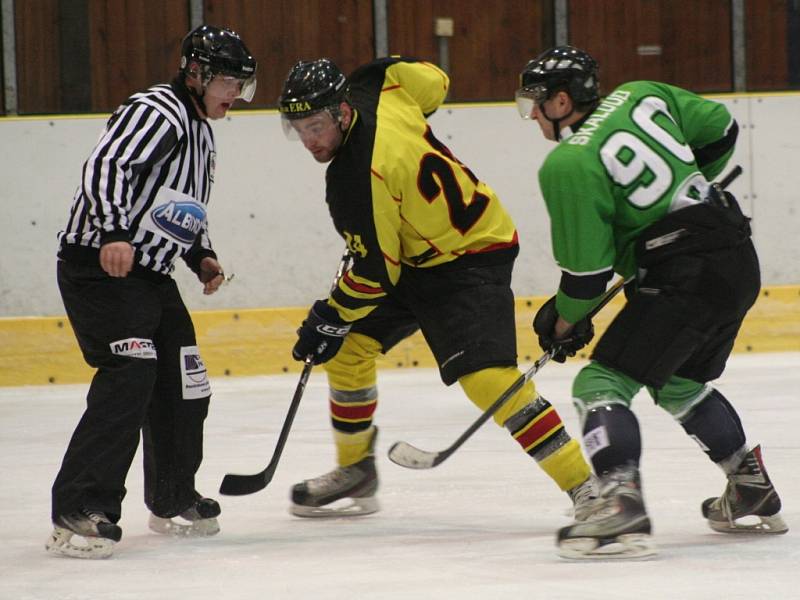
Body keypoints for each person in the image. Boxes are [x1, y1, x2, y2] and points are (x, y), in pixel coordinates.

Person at [277, 56, 598, 520]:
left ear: (342, 111)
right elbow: (436, 84)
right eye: (299, 129)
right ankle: (356, 469)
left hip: (470, 254)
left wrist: (329, 316)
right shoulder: (377, 86)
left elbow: (372, 275)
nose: (309, 141)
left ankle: (587, 486)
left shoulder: (354, 178)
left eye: (317, 126)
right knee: (348, 350)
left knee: (488, 379)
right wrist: (387, 66)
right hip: (413, 255)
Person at [516, 45, 788, 559]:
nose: (531, 115)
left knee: (600, 381)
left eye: (535, 103)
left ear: (559, 102)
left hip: (683, 274)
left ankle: (620, 504)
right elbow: (722, 130)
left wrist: (563, 323)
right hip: (734, 258)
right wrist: (686, 195)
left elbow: (587, 276)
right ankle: (749, 486)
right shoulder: (641, 93)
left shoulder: (568, 163)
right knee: (679, 379)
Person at [46, 25, 257, 559]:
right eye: (227, 81)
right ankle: (81, 504)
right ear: (196, 73)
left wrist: (199, 254)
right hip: (101, 267)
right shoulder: (158, 110)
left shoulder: (201, 132)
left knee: (186, 380)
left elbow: (173, 206)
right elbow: (108, 165)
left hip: (149, 277)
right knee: (131, 372)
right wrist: (115, 232)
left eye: (241, 83)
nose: (235, 93)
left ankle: (172, 494)